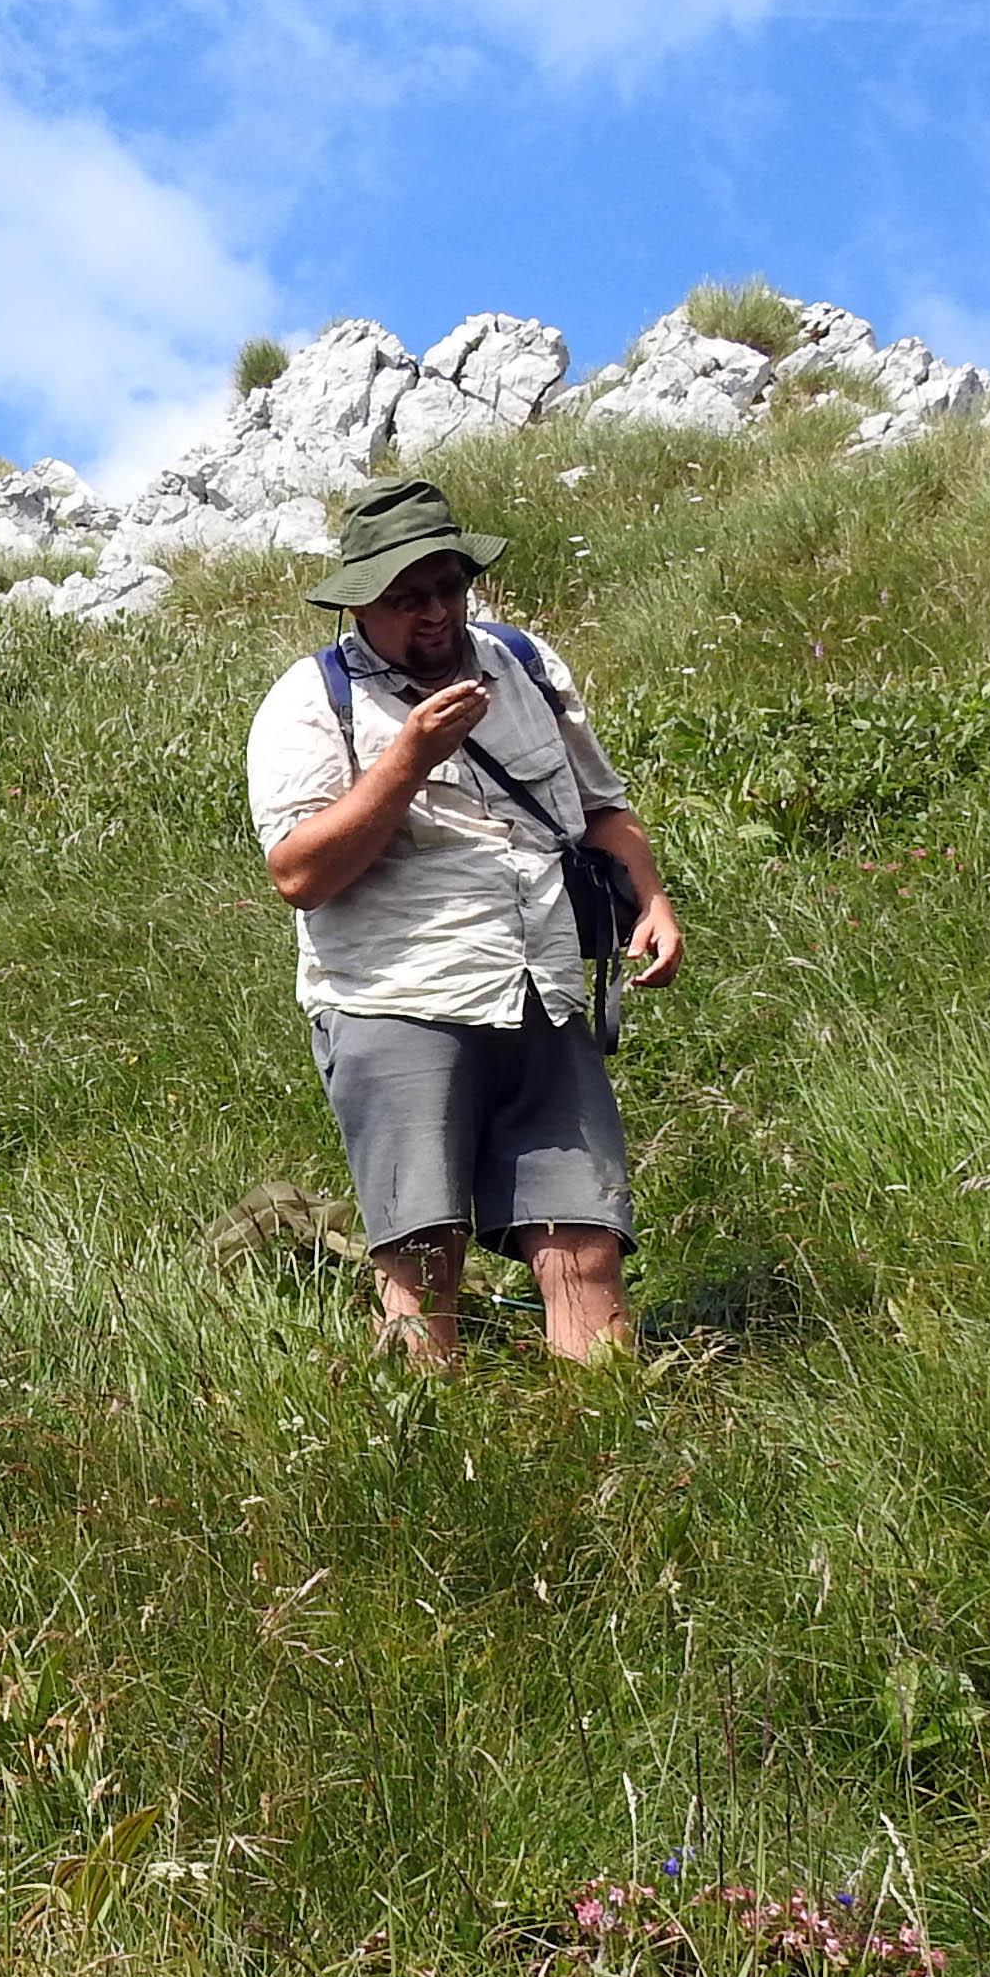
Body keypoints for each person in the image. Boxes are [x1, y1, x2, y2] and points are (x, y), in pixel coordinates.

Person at [245, 480, 680, 1366]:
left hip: (545, 990)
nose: (435, 614)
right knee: (421, 1256)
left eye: (448, 587)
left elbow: (601, 808)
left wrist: (654, 897)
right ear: (358, 602)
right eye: (406, 599)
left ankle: (606, 1445)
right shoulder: (310, 701)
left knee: (586, 1246)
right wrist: (408, 757)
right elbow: (299, 875)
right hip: (399, 996)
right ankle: (425, 1459)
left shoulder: (522, 663)